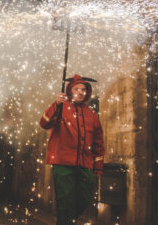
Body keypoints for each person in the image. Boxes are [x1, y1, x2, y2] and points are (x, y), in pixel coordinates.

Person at [39, 74, 105, 225]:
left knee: (86, 196)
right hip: (63, 163)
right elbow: (44, 123)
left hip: (85, 164)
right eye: (77, 89)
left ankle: (67, 220)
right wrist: (56, 104)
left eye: (83, 89)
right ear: (70, 91)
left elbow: (98, 141)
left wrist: (98, 164)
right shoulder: (60, 107)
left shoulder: (92, 115)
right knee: (65, 201)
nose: (80, 92)